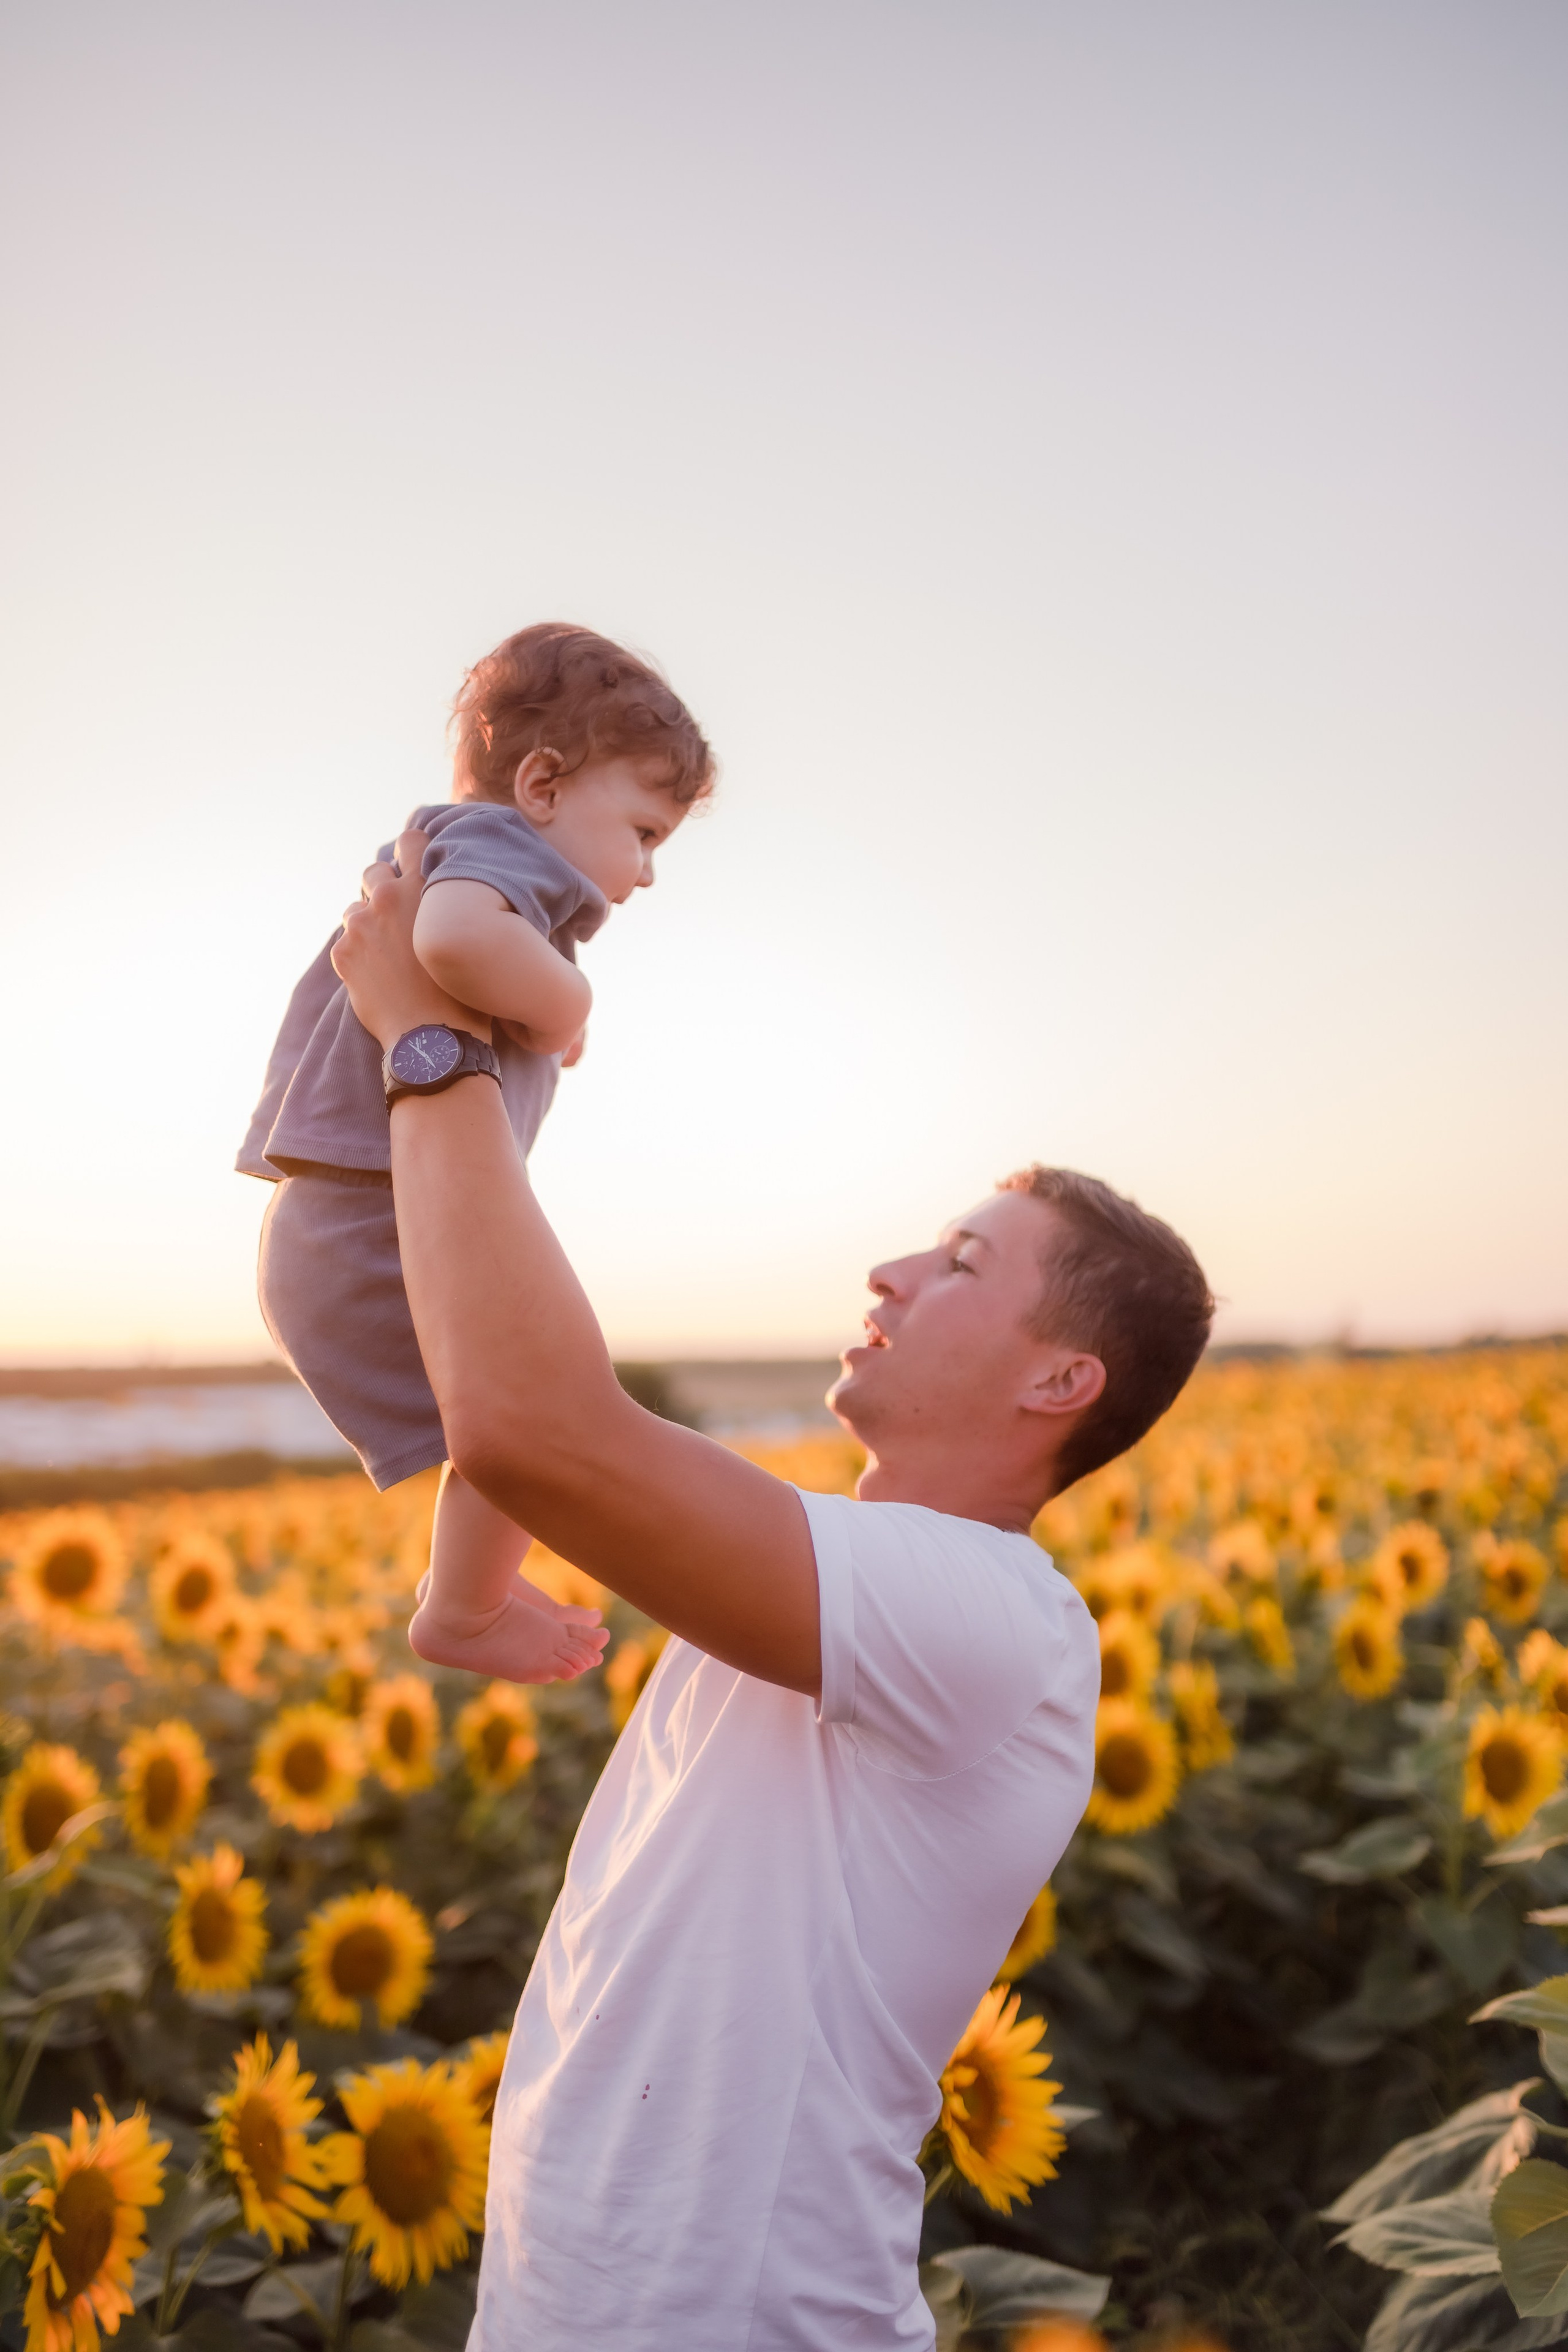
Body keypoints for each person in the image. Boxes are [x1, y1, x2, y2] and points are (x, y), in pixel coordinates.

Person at [332, 837, 1215, 2352]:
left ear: (1060, 1382)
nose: (886, 1271)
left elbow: (536, 1429)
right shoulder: (820, 1583)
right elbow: (529, 1433)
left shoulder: (992, 1623)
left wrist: (430, 1046)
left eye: (957, 1263)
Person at [237, 624, 714, 1685]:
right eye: (643, 832)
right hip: (375, 1224)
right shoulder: (499, 850)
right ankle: (462, 1608)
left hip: (351, 1220)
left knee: (510, 1423)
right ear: (542, 785)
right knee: (533, 1415)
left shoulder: (469, 860)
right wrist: (567, 1000)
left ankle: (468, 1595)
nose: (645, 873)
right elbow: (453, 942)